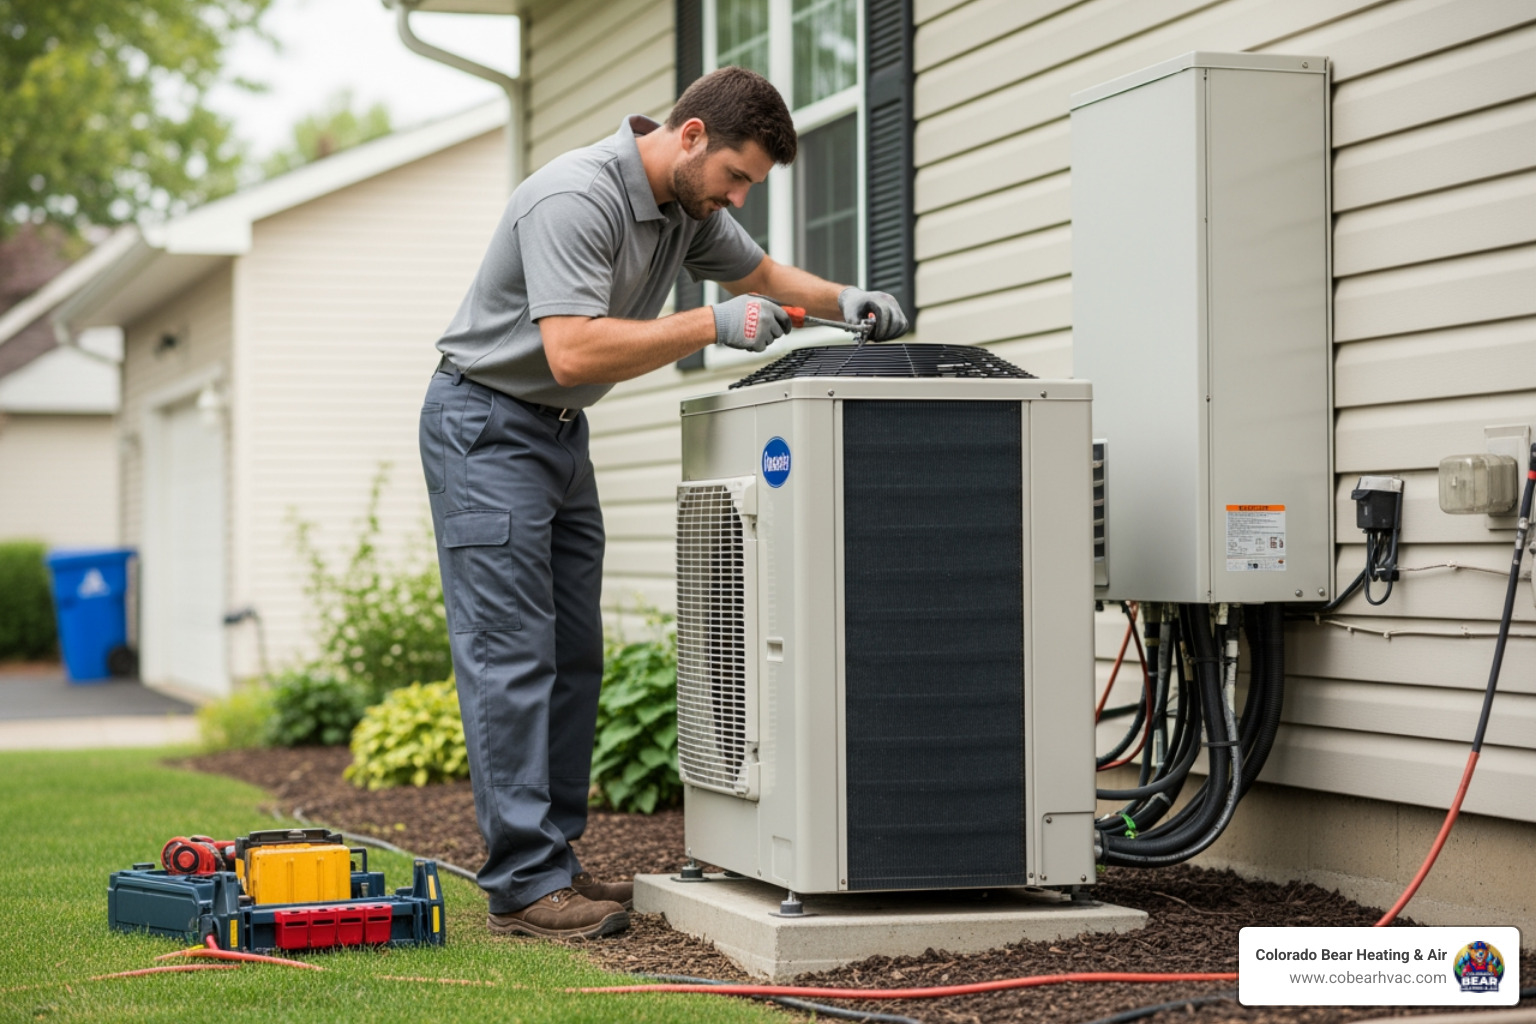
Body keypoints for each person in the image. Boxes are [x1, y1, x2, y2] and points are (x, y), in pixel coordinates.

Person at [419, 65, 908, 941]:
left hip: (557, 437)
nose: (738, 197)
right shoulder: (574, 198)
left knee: (573, 653)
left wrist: (846, 303)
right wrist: (707, 325)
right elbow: (569, 350)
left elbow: (761, 274)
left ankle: (553, 863)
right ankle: (524, 886)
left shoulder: (687, 212)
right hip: (487, 427)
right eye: (737, 176)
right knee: (512, 655)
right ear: (690, 138)